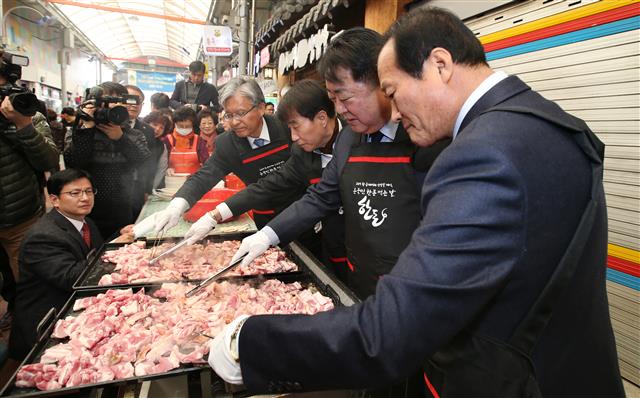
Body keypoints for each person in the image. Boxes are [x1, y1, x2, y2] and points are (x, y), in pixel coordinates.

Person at [209, 7, 624, 398]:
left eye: (391, 89)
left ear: (439, 65)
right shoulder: (549, 123)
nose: (395, 108)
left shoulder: (481, 153)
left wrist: (253, 344)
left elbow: (389, 333)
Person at [233, 28, 449, 300]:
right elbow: (320, 197)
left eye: (345, 98)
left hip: (412, 291)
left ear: (383, 83)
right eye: (334, 100)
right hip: (359, 281)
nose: (340, 110)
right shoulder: (348, 139)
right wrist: (268, 235)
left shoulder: (424, 138)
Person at [185, 80, 346, 280]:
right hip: (302, 229)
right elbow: (270, 185)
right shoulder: (301, 149)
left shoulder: (356, 140)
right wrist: (215, 215)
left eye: (240, 113)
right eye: (229, 115)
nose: (293, 137)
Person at [135, 77, 299, 237]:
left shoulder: (287, 128)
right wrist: (176, 206)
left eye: (241, 113)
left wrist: (216, 214)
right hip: (265, 217)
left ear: (261, 108)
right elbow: (204, 176)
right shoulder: (228, 143)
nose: (234, 122)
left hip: (300, 210)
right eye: (228, 115)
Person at [8, 168, 103, 361]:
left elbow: (95, 257)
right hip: (48, 322)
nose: (85, 198)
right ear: (55, 200)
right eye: (75, 193)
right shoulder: (43, 236)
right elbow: (73, 278)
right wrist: (114, 251)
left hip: (74, 306)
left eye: (89, 191)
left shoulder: (86, 222)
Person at [0, 69, 59, 330]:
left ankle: (29, 328)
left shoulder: (29, 116)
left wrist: (22, 126)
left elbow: (48, 160)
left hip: (18, 216)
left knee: (28, 277)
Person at [64, 81, 151, 239]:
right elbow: (74, 163)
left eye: (118, 102)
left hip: (123, 207)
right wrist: (87, 127)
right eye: (107, 102)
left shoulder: (133, 134)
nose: (112, 107)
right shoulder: (80, 131)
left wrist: (120, 138)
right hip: (86, 208)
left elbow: (143, 161)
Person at [125, 85, 162, 217]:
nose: (134, 105)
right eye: (130, 100)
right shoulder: (106, 126)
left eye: (138, 101)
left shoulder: (148, 130)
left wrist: (147, 190)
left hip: (138, 189)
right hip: (112, 191)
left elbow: (150, 163)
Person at [165, 106, 200, 175]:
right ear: (175, 124)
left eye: (187, 126)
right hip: (173, 181)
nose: (184, 129)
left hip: (194, 181)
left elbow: (206, 163)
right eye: (180, 126)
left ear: (192, 125)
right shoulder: (167, 140)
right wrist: (167, 169)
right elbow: (161, 163)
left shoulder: (199, 140)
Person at [142, 111, 171, 189]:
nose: (157, 129)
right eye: (155, 125)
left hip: (149, 187)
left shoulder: (162, 146)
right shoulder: (137, 137)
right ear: (147, 123)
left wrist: (151, 190)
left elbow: (161, 170)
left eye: (162, 127)